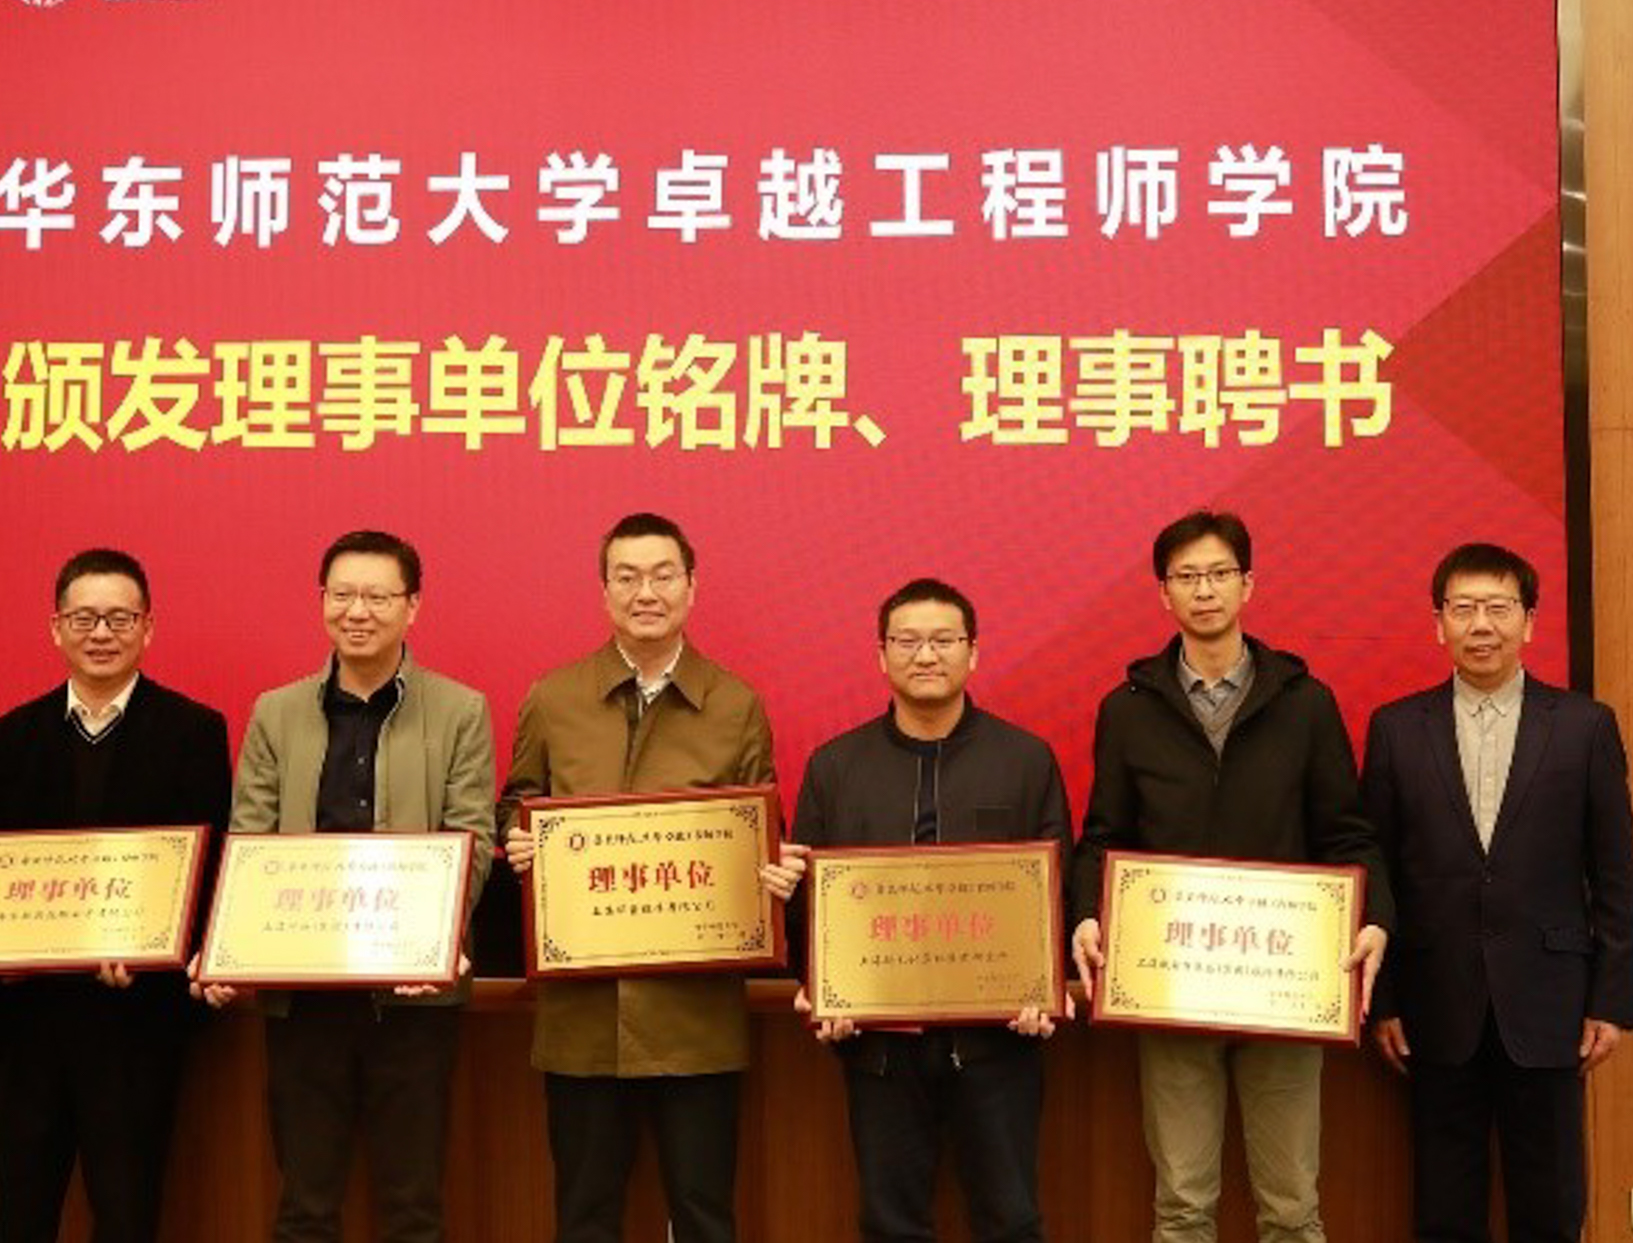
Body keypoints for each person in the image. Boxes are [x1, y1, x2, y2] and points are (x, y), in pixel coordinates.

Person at [1070, 509, 1392, 1243]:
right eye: (1187, 576)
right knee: (1182, 1204)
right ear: (1164, 594)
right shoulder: (1128, 709)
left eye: (1219, 573)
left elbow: (1348, 835)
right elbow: (1104, 837)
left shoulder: (1304, 703)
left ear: (1248, 584)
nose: (1204, 589)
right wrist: (1086, 912)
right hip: (1170, 988)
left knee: (1292, 1205)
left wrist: (1375, 916)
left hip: (1285, 988)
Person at [498, 512, 804, 1243]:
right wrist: (518, 841)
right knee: (585, 1217)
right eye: (627, 577)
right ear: (604, 592)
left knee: (703, 1215)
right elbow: (518, 802)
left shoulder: (735, 704)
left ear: (691, 588)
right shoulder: (553, 698)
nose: (646, 592)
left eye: (663, 575)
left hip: (695, 1018)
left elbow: (761, 825)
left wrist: (773, 868)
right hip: (582, 1016)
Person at [0, 548, 231, 1243]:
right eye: (85, 617)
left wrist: (155, 951)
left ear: (148, 627)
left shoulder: (193, 731)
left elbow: (206, 865)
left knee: (126, 1216)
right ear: (56, 627)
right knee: (17, 1216)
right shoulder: (12, 734)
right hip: (25, 1021)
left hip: (135, 1020)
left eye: (120, 617)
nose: (102, 633)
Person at [199, 530, 496, 1243]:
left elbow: (473, 838)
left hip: (414, 998)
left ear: (412, 606)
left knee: (413, 1208)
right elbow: (250, 841)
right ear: (322, 600)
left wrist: (436, 941)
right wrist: (229, 948)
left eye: (377, 596)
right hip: (304, 997)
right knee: (304, 1207)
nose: (357, 611)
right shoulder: (276, 712)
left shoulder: (460, 710)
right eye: (343, 594)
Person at [1365, 543, 1633, 1243]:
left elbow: (1615, 873)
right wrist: (1384, 999)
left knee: (1551, 1207)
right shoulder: (1396, 730)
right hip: (1434, 1002)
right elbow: (1378, 874)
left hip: (1552, 1002)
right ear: (1439, 624)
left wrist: (1610, 1000)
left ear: (1529, 620)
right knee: (1444, 1209)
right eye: (1463, 608)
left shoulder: (1584, 726)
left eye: (1498, 607)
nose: (1481, 624)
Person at [787, 577, 1072, 1243]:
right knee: (890, 1226)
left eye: (943, 640)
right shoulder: (835, 767)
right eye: (907, 641)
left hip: (1000, 1043)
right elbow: (810, 900)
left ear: (973, 651)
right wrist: (821, 987)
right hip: (879, 1048)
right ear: (881, 654)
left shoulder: (1025, 759)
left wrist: (1044, 983)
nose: (925, 655)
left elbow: (1055, 889)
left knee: (1011, 1221)